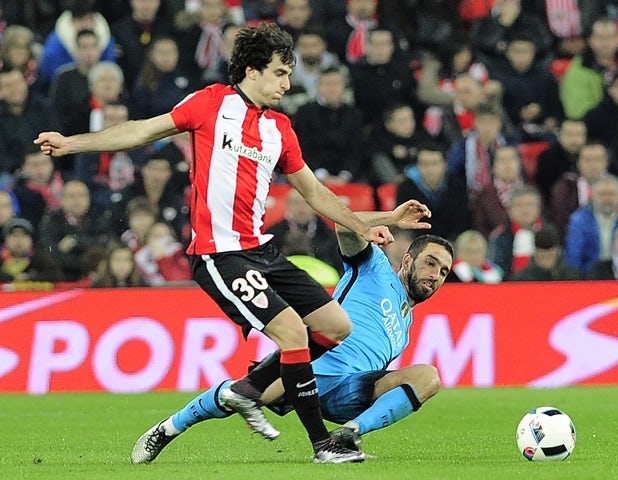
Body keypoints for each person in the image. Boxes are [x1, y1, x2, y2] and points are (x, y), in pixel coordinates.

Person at [35, 22, 394, 464]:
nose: (287, 83)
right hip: (221, 256)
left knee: (336, 327)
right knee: (294, 332)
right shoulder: (209, 104)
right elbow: (139, 131)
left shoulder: (280, 128)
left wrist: (362, 223)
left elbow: (315, 193)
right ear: (252, 71)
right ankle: (323, 446)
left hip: (263, 251)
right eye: (280, 73)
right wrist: (71, 144)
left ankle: (248, 389)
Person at [129, 203, 452, 464]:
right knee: (244, 396)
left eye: (442, 271)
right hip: (311, 367)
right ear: (407, 260)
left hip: (349, 392)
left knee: (428, 377)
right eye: (430, 263)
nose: (435, 275)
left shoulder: (405, 328)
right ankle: (167, 429)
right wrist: (391, 218)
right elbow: (343, 226)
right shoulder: (375, 267)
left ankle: (349, 434)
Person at [564, 174, 618, 275]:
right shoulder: (579, 219)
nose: (607, 199)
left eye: (612, 194)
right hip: (589, 277)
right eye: (602, 194)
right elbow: (574, 255)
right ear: (592, 196)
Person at [510, 224, 582, 281]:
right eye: (541, 257)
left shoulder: (572, 276)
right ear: (535, 253)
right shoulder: (522, 279)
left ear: (558, 252)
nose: (546, 262)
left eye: (549, 256)